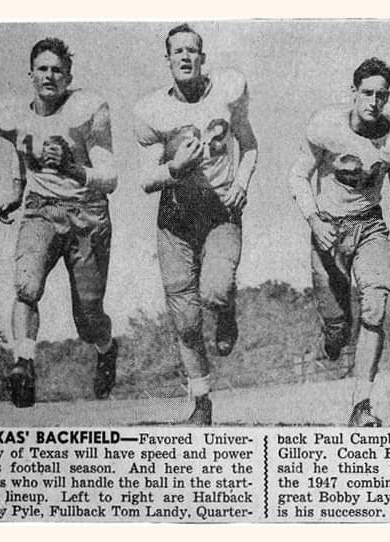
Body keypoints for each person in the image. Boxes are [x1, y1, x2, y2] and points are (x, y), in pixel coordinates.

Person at [133, 24, 258, 425]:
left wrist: (241, 182)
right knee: (185, 319)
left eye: (193, 50)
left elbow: (250, 146)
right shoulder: (153, 110)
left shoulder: (228, 92)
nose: (185, 57)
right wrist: (175, 168)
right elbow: (145, 178)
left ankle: (226, 309)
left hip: (220, 208)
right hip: (176, 218)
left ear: (203, 58)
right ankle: (201, 401)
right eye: (177, 51)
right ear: (167, 59)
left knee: (216, 292)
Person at [288, 58, 390, 427]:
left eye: (381, 94)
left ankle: (362, 405)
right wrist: (313, 219)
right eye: (367, 93)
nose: (374, 101)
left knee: (374, 308)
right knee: (338, 326)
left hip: (371, 226)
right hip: (329, 229)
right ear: (353, 93)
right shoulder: (326, 126)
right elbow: (298, 175)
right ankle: (333, 336)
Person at [0, 38, 118, 408]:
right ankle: (23, 364)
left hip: (86, 212)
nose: (49, 76)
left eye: (57, 70)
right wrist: (17, 192)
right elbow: (19, 148)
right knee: (26, 285)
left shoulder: (87, 110)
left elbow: (110, 178)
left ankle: (106, 350)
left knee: (89, 316)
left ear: (69, 76)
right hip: (41, 208)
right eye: (43, 68)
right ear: (30, 73)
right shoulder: (14, 112)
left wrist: (71, 167)